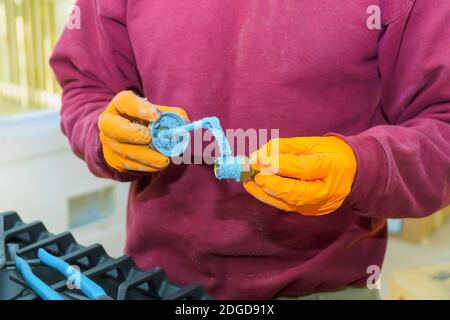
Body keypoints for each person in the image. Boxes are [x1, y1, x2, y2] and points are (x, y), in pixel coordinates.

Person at [50, 0, 450, 299]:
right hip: (153, 282)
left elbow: (442, 126)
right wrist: (103, 134)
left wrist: (365, 168)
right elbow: (86, 88)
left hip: (326, 285)